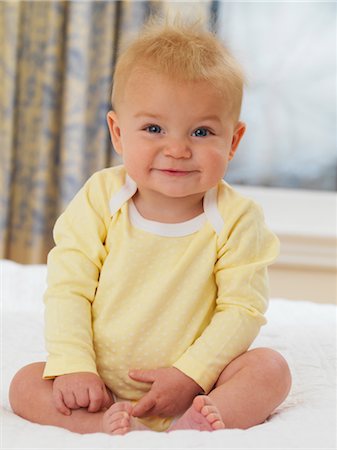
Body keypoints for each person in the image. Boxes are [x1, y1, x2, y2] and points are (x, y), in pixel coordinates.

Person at [9, 18, 291, 435]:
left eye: (201, 131)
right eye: (154, 128)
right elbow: (70, 286)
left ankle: (193, 426)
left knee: (271, 369)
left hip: (197, 384)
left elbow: (242, 310)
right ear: (118, 133)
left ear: (233, 141)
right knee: (23, 385)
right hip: (98, 383)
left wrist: (191, 375)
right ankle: (103, 424)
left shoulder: (237, 217)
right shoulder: (100, 197)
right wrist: (74, 366)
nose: (176, 149)